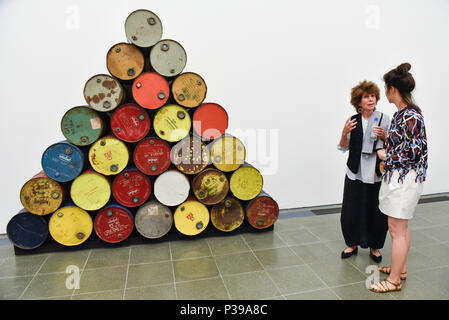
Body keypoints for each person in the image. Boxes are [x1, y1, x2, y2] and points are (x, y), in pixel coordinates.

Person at [370, 63, 428, 293]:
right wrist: (389, 140)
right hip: (400, 178)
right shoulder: (403, 114)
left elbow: (413, 152)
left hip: (405, 180)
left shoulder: (411, 115)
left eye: (385, 87)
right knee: (400, 228)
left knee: (397, 228)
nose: (384, 92)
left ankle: (394, 280)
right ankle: (399, 269)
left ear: (392, 88)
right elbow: (406, 144)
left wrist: (387, 153)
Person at [338, 80, 390, 263]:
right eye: (366, 97)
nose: (370, 100)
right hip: (355, 172)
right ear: (358, 102)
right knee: (351, 209)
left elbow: (393, 146)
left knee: (376, 210)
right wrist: (344, 133)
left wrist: (385, 136)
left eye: (373, 96)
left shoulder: (385, 119)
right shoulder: (352, 120)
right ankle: (352, 244)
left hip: (376, 173)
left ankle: (374, 246)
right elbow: (344, 147)